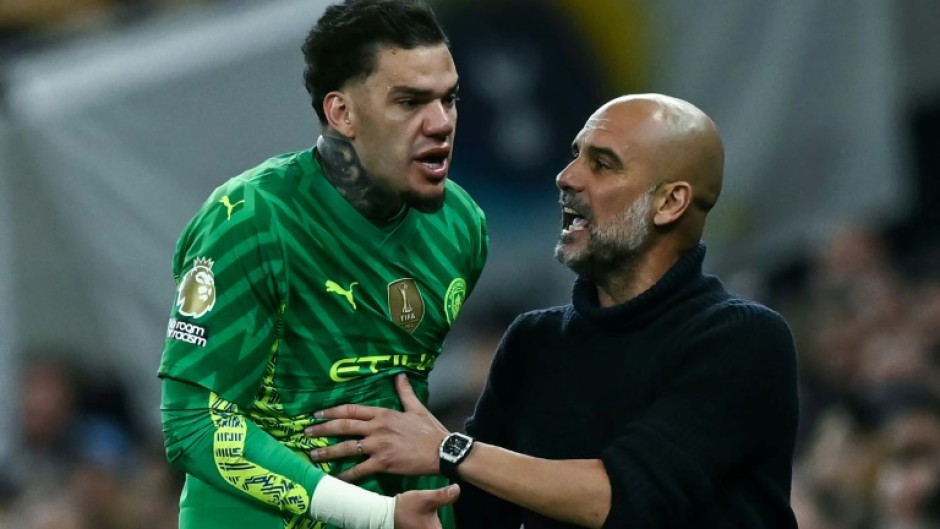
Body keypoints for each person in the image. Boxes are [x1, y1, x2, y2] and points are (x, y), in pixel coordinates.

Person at [304, 94, 800, 528]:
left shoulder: (741, 339)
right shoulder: (534, 344)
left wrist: (448, 448)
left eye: (602, 163)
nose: (566, 177)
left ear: (669, 203)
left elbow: (624, 501)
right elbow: (470, 508)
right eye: (574, 156)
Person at [157, 1, 489, 528]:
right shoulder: (249, 220)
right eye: (410, 101)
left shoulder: (460, 226)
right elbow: (194, 423)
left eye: (449, 99)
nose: (441, 122)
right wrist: (375, 515)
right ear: (342, 113)